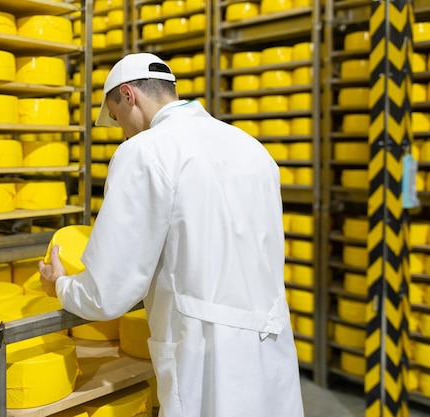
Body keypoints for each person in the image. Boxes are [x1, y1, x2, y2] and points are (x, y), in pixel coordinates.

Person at [39, 53, 305, 417]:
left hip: (207, 360)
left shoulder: (145, 151)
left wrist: (62, 285)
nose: (123, 132)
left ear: (129, 95)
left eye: (117, 118)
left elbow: (110, 289)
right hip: (270, 348)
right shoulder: (251, 148)